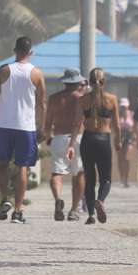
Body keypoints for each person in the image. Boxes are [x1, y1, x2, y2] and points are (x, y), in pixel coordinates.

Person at [0, 36, 47, 224]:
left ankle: (5, 198)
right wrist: (42, 125)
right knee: (22, 167)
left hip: (4, 125)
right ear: (30, 52)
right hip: (26, 127)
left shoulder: (4, 70)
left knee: (2, 164)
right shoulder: (36, 73)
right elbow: (42, 103)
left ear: (15, 50)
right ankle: (18, 211)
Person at [68, 68, 120, 224]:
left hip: (88, 140)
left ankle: (91, 215)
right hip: (103, 140)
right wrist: (118, 141)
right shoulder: (111, 99)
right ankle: (101, 200)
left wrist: (71, 145)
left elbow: (77, 124)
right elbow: (117, 125)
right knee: (106, 179)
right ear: (104, 81)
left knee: (90, 179)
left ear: (89, 82)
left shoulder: (82, 100)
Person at [43, 68, 86, 222]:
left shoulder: (54, 99)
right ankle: (74, 209)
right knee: (78, 173)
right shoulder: (82, 98)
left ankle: (58, 199)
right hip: (78, 138)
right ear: (78, 82)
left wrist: (48, 137)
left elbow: (47, 123)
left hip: (59, 137)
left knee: (57, 173)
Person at [117, 98, 135, 188]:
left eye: (125, 106)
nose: (123, 108)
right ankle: (121, 178)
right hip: (120, 137)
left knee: (127, 158)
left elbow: (135, 127)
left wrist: (135, 138)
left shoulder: (131, 114)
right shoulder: (117, 115)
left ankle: (126, 180)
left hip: (129, 137)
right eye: (122, 106)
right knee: (120, 158)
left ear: (128, 106)